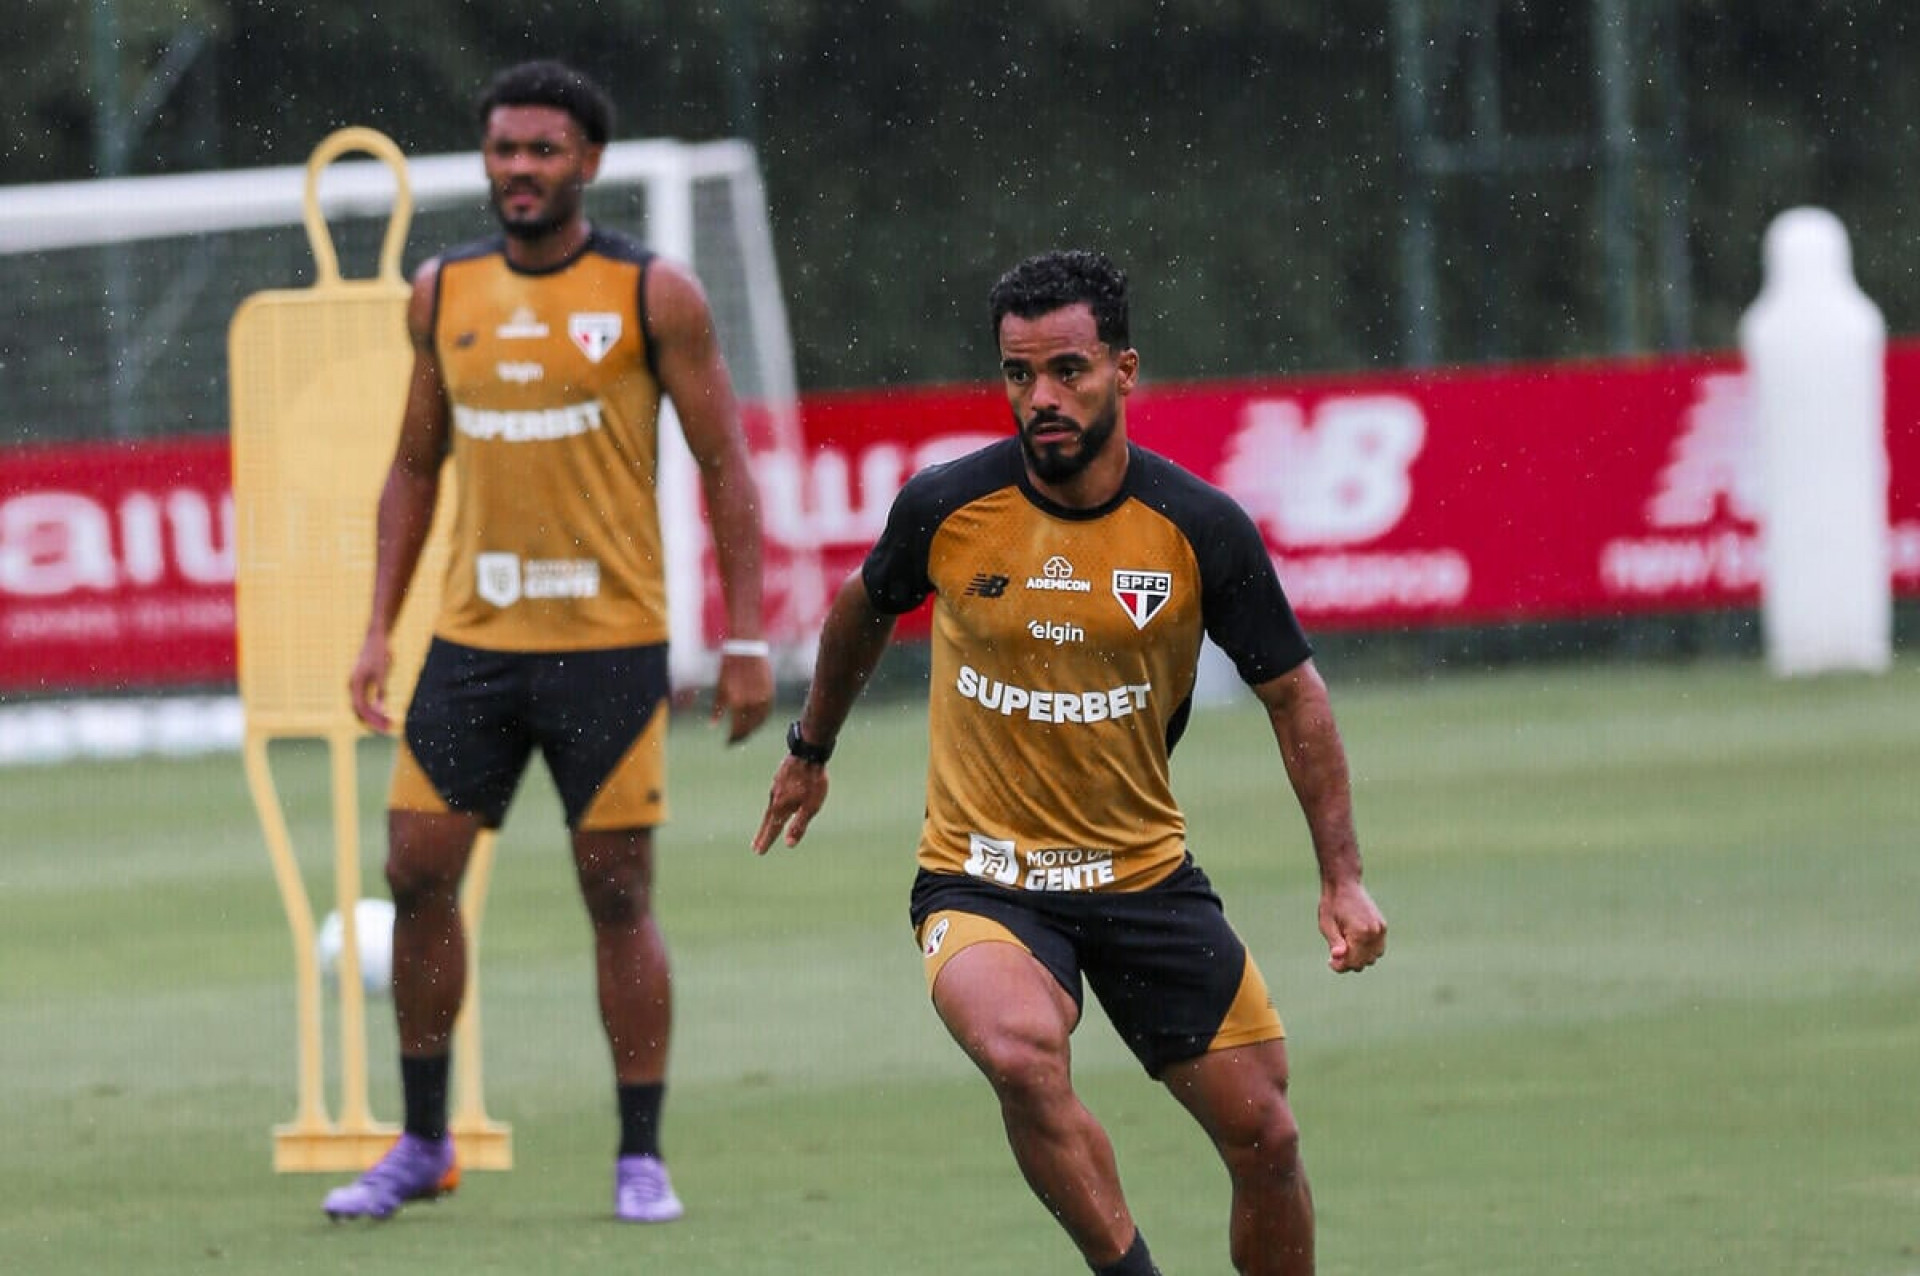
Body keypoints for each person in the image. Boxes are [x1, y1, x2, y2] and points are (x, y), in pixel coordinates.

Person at [753, 250, 1385, 1275]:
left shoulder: (1200, 528)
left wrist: (1342, 876)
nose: (1040, 399)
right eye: (1017, 375)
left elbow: (1293, 695)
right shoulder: (947, 507)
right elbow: (862, 609)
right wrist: (809, 748)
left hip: (1143, 875)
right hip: (984, 874)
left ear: (1124, 371)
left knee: (1267, 1136)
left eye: (1068, 371)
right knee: (1019, 1053)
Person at [326, 59, 774, 1223]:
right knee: (413, 873)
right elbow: (414, 465)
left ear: (589, 162)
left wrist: (747, 635)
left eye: (543, 149)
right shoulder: (441, 291)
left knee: (616, 892)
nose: (519, 168)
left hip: (609, 645)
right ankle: (422, 1142)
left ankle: (639, 1156)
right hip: (471, 647)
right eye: (504, 148)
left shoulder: (653, 293)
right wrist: (378, 624)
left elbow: (725, 466)